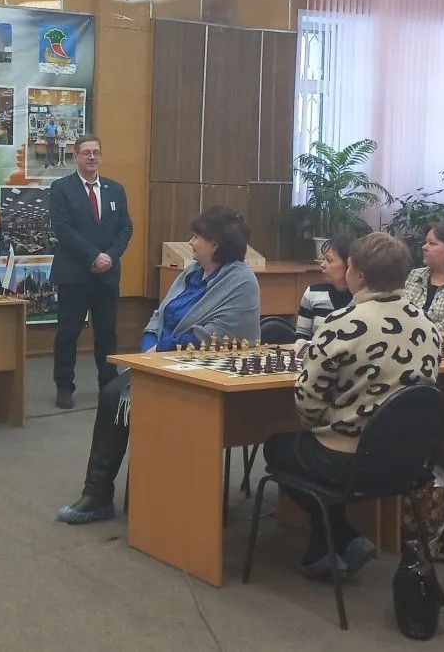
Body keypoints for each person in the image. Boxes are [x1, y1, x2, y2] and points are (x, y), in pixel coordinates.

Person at [56, 206, 261, 524]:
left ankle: (109, 495)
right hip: (160, 361)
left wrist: (162, 350)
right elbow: (159, 314)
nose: (191, 242)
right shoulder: (191, 272)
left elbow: (221, 334)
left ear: (216, 243)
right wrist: (149, 348)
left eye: (197, 236)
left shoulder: (241, 281)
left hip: (204, 370)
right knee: (113, 395)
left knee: (116, 395)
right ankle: (97, 495)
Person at [263, 233, 441, 579]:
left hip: (347, 459)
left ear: (357, 275)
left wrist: (324, 424)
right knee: (314, 453)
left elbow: (307, 400)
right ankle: (327, 546)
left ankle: (342, 537)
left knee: (278, 448)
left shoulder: (341, 323)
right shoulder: (428, 324)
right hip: (407, 458)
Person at [50, 134, 134, 409]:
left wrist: (109, 256)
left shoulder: (115, 189)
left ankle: (108, 386)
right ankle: (64, 386)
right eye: (86, 152)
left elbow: (125, 228)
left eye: (96, 152)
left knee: (107, 333)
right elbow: (62, 229)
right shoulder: (61, 188)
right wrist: (93, 256)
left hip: (107, 275)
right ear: (75, 156)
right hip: (74, 274)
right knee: (68, 333)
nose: (92, 157)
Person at [294, 235, 354, 348]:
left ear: (349, 264)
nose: (322, 265)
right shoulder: (312, 294)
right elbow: (301, 336)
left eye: (329, 260)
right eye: (323, 260)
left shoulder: (362, 298)